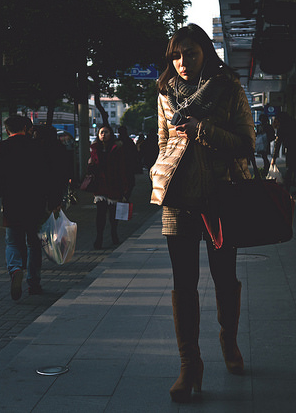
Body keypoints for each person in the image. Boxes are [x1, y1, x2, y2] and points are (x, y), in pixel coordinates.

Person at [150, 23, 255, 403]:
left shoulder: (229, 88)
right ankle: (189, 364)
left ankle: (228, 341)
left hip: (221, 197)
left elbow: (245, 143)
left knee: (224, 277)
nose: (181, 62)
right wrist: (159, 168)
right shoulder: (164, 93)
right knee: (183, 283)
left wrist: (200, 129)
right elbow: (163, 142)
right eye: (176, 55)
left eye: (189, 53)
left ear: (206, 53)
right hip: (178, 200)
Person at [0, 115, 61, 300]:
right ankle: (33, 282)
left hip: (12, 202)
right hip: (35, 203)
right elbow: (49, 175)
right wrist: (53, 202)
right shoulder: (37, 147)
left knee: (12, 242)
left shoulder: (3, 148)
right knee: (33, 244)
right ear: (27, 128)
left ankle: (15, 268)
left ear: (8, 130)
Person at [88, 125, 129, 249]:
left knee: (113, 214)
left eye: (106, 132)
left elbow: (122, 168)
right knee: (100, 214)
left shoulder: (117, 148)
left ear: (111, 134)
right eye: (101, 132)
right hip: (100, 185)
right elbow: (90, 169)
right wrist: (90, 164)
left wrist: (124, 187)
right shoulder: (95, 148)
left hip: (114, 184)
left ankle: (114, 233)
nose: (103, 135)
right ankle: (99, 238)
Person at [270, 112, 296, 196]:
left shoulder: (282, 128)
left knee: (291, 170)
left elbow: (278, 143)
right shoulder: (293, 123)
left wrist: (274, 158)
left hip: (292, 151)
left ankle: (287, 190)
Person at [117, 125, 138, 195]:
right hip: (129, 166)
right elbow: (135, 153)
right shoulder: (129, 141)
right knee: (129, 183)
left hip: (119, 166)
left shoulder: (117, 142)